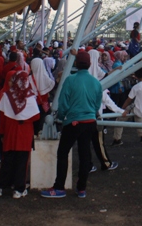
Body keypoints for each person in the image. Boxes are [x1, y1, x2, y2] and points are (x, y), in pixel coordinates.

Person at [42, 51, 102, 199]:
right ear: (90, 64)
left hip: (74, 122)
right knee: (85, 154)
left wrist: (62, 117)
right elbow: (97, 104)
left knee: (63, 153)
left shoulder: (70, 80)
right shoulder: (96, 82)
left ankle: (59, 187)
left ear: (75, 64)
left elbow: (63, 103)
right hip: (90, 122)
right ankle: (81, 188)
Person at [0, 72, 39, 198]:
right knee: (22, 161)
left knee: (7, 160)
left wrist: (1, 133)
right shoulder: (30, 97)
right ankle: (19, 189)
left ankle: (0, 187)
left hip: (10, 131)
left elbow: (2, 116)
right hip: (25, 132)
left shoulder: (7, 96)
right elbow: (36, 116)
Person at [114, 67, 142, 144]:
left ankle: (117, 139)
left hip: (137, 107)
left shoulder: (136, 87)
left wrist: (122, 109)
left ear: (136, 76)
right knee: (139, 118)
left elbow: (129, 100)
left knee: (119, 120)